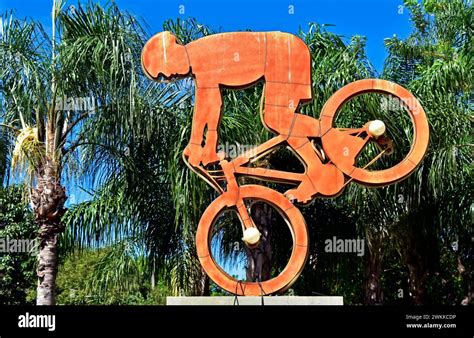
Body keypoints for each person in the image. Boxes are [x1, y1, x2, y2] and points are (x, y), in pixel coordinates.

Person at [142, 31, 343, 203]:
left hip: (284, 51)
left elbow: (208, 105)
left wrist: (198, 144)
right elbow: (209, 105)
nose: (168, 78)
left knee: (277, 118)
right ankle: (317, 169)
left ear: (171, 53)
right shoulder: (198, 59)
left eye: (163, 71)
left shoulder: (200, 55)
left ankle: (335, 139)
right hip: (283, 50)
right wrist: (200, 144)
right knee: (280, 120)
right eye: (162, 78)